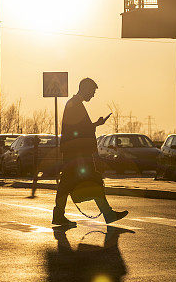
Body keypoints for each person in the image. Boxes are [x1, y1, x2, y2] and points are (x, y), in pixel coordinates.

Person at [52, 77, 128, 227]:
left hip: (74, 153)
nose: (93, 95)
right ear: (85, 89)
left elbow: (79, 129)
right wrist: (93, 127)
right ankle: (107, 214)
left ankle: (59, 215)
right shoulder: (75, 105)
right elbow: (78, 130)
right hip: (77, 153)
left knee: (69, 184)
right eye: (92, 91)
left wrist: (95, 124)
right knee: (89, 181)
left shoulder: (74, 104)